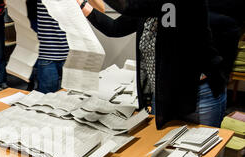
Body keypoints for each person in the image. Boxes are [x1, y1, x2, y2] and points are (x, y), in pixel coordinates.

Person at [77, 0, 226, 129]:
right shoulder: (147, 9)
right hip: (163, 94)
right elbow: (114, 28)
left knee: (204, 156)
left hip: (197, 94)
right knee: (164, 150)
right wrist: (82, 4)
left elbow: (128, 6)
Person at [28, 0, 105, 94]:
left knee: (75, 96)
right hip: (47, 56)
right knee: (46, 99)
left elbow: (101, 9)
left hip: (74, 55)